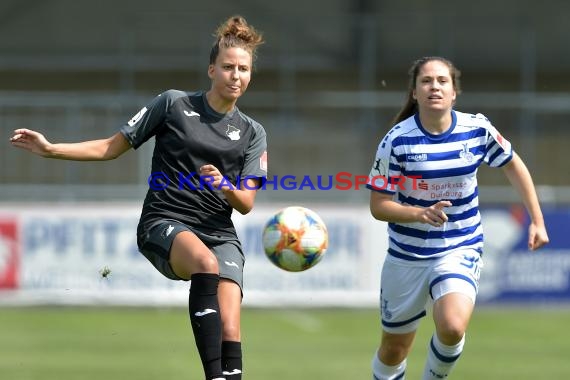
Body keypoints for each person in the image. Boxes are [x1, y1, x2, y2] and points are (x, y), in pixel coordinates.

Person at [10, 15, 266, 380]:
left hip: (219, 233)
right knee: (205, 265)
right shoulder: (173, 105)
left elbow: (246, 202)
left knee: (230, 330)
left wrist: (224, 185)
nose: (235, 75)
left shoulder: (253, 133)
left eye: (243, 68)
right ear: (212, 70)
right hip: (164, 222)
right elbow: (110, 147)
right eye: (228, 67)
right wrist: (52, 149)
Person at [366, 56, 549, 379]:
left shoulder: (476, 129)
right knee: (394, 350)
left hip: (459, 247)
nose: (434, 86)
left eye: (442, 81)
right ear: (414, 93)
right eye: (426, 81)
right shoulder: (396, 140)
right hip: (406, 256)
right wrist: (419, 213)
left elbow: (512, 163)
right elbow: (379, 205)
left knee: (451, 326)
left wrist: (537, 219)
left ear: (454, 93)